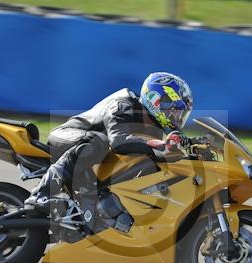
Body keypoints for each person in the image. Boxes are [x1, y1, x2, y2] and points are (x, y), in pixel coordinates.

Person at [25, 72, 194, 213]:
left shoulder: (154, 127)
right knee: (98, 141)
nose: (176, 117)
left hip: (93, 155)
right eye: (174, 110)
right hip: (66, 136)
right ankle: (40, 194)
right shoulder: (123, 104)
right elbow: (119, 141)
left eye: (180, 114)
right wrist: (160, 145)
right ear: (156, 100)